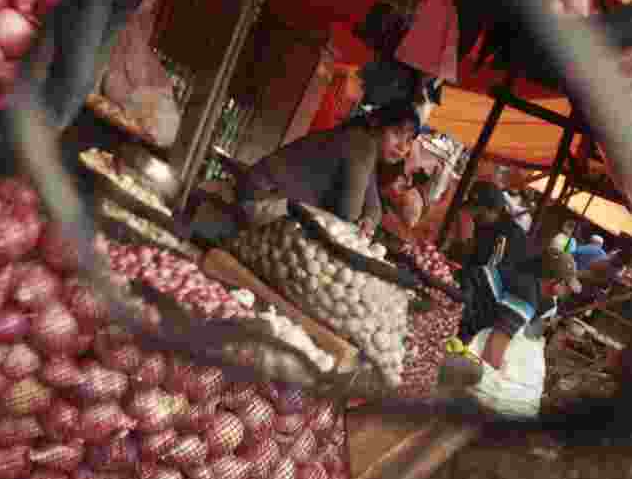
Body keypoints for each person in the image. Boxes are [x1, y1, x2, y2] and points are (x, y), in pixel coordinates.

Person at [237, 100, 420, 236]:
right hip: (261, 200)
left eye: (409, 140)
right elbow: (347, 214)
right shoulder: (361, 144)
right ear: (375, 123)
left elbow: (374, 209)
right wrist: (361, 224)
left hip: (264, 198)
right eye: (396, 133)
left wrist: (369, 220)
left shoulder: (367, 148)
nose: (402, 147)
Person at [459, 236, 583, 370]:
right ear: (554, 281)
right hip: (454, 307)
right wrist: (493, 377)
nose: (567, 291)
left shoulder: (526, 280)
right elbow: (495, 345)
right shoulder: (527, 296)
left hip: (460, 300)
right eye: (566, 285)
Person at [453, 181, 533, 270]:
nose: (474, 218)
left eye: (480, 215)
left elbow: (492, 272)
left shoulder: (512, 236)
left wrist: (465, 241)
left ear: (495, 211)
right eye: (473, 213)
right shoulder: (480, 222)